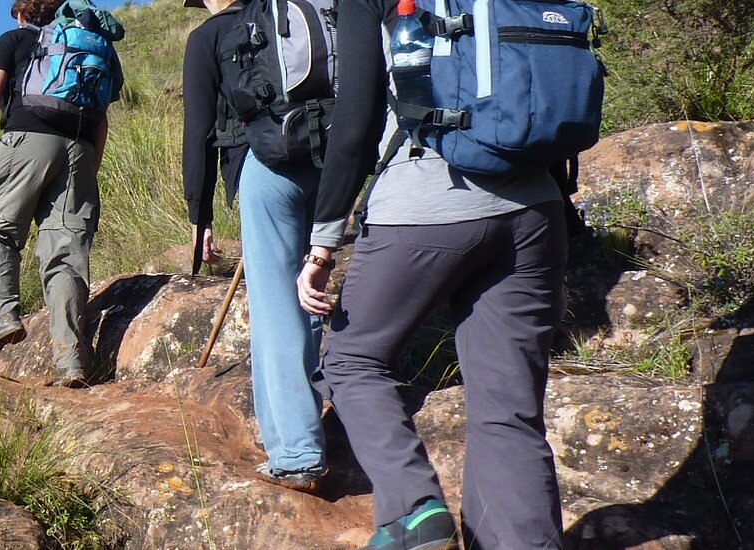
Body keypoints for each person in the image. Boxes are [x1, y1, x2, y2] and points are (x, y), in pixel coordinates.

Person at [298, 0, 570, 547]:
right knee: (509, 408)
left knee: (352, 360)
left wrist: (323, 245)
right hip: (535, 208)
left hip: (423, 207)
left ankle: (414, 511)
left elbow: (356, 119)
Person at [182, 0, 329, 493]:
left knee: (276, 308)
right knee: (309, 295)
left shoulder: (210, 35)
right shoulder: (288, 19)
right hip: (329, 158)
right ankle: (305, 427)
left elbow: (198, 132)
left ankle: (297, 452)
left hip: (268, 170)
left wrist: (199, 216)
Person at [0, 0, 123, 387]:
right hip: (80, 147)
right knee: (66, 255)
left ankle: (2, 315)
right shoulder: (92, 46)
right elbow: (102, 120)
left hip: (28, 139)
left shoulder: (12, 40)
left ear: (21, 14)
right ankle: (71, 362)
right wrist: (86, 172)